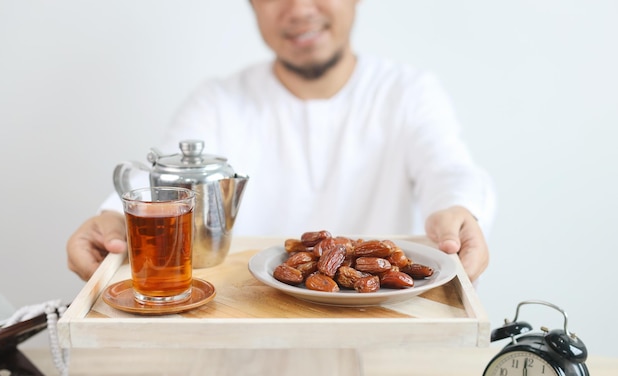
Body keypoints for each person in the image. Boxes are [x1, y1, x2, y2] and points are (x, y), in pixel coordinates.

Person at [67, 0, 496, 283]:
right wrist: (113, 215)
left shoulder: (407, 91)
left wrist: (458, 210)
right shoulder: (218, 99)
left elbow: (447, 167)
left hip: (378, 330)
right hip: (241, 332)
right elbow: (168, 172)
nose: (299, 9)